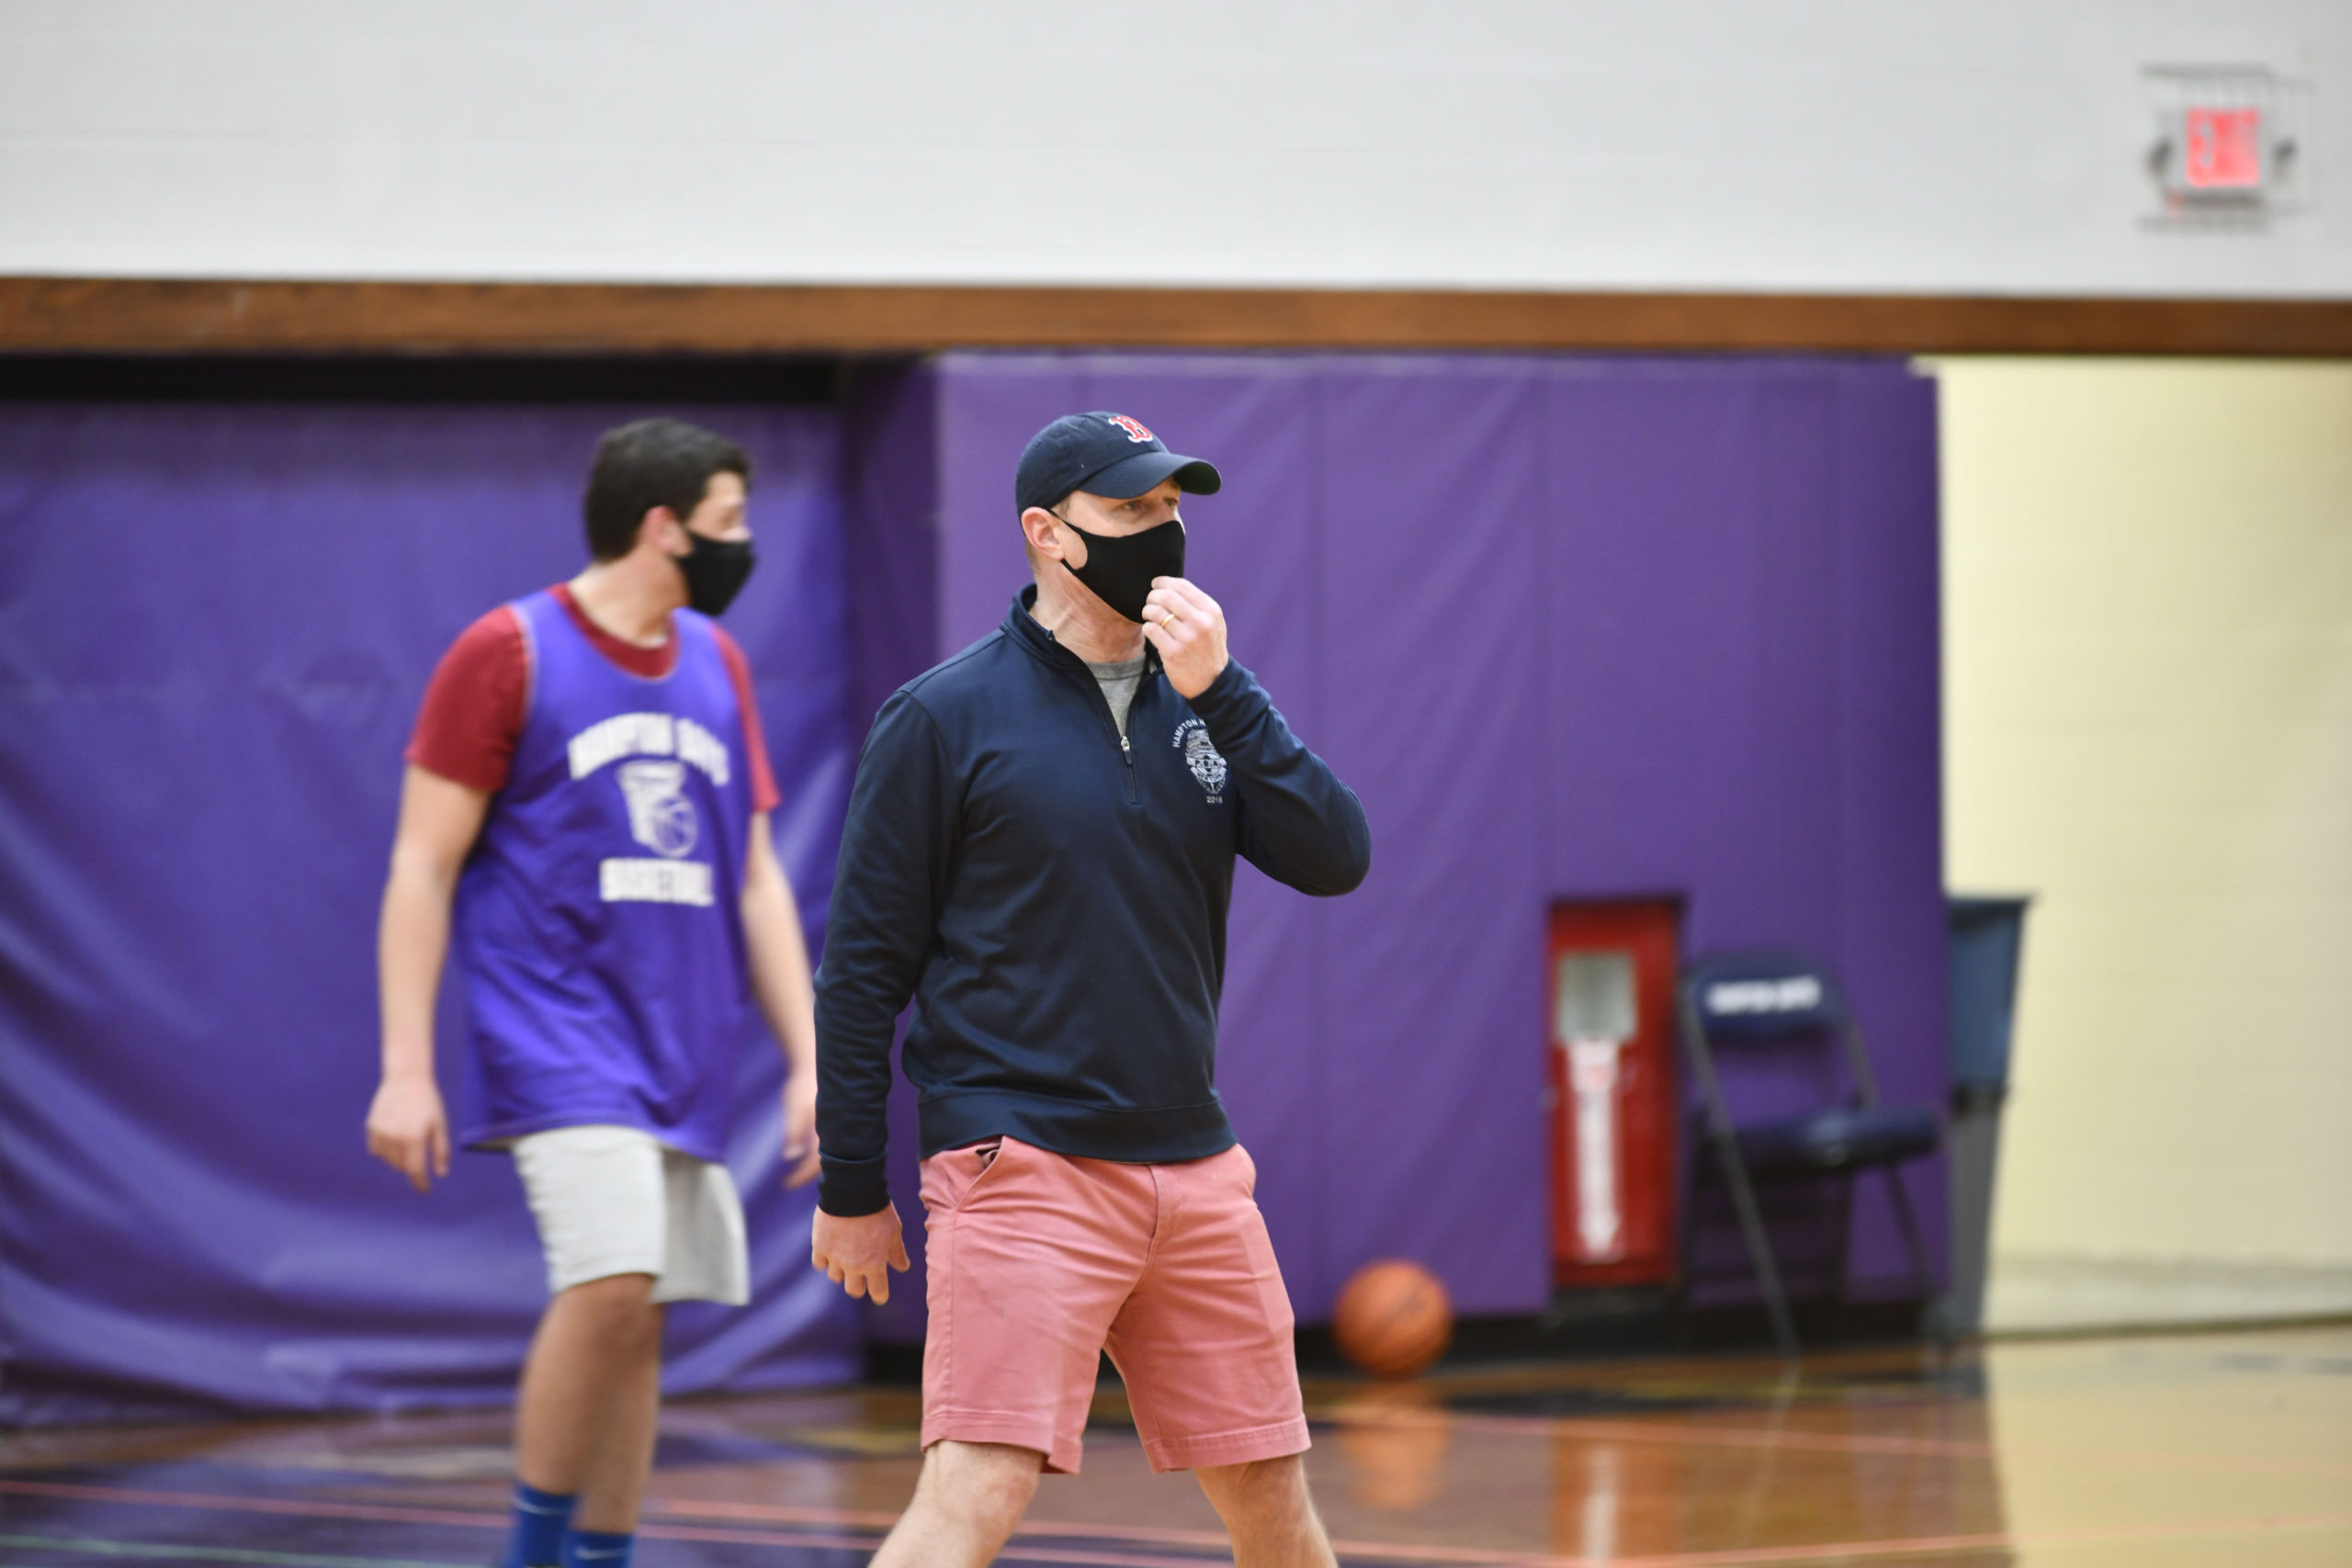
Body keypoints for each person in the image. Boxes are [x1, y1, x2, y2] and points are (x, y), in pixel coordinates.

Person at [811, 412, 1373, 1567]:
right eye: (1129, 512)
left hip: (1197, 1169)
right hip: (1019, 1164)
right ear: (1047, 533)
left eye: (1171, 510)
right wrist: (851, 1182)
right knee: (977, 1488)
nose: (1160, 535)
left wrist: (1226, 693)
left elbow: (1337, 857)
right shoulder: (941, 718)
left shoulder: (1207, 705)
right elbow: (863, 972)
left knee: (1271, 1496)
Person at [364, 418, 820, 1568]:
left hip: (682, 1038)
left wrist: (816, 1059)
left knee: (642, 1319)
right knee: (612, 1281)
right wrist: (407, 1067)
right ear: (661, 527)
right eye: (727, 524)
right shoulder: (506, 649)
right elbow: (421, 866)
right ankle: (529, 1554)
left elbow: (756, 878)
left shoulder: (717, 664)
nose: (743, 545)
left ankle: (601, 1558)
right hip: (555, 1026)